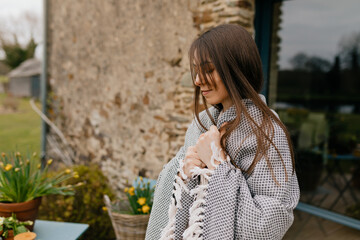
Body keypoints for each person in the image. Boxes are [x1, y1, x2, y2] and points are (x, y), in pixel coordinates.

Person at [145, 24, 300, 240]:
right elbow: (171, 195)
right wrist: (184, 172)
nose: (198, 80)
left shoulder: (267, 131)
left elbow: (268, 226)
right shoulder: (202, 122)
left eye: (208, 70)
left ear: (237, 68)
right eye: (196, 70)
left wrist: (217, 165)